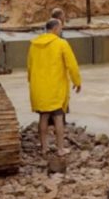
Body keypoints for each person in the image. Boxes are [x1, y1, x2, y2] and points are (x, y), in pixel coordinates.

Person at [27, 17, 82, 155]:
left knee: (43, 117)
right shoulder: (61, 43)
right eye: (61, 28)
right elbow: (72, 65)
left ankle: (44, 147)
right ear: (56, 29)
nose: (61, 30)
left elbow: (29, 66)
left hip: (39, 87)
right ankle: (60, 148)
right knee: (58, 117)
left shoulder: (34, 44)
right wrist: (77, 81)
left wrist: (31, 82)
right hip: (55, 87)